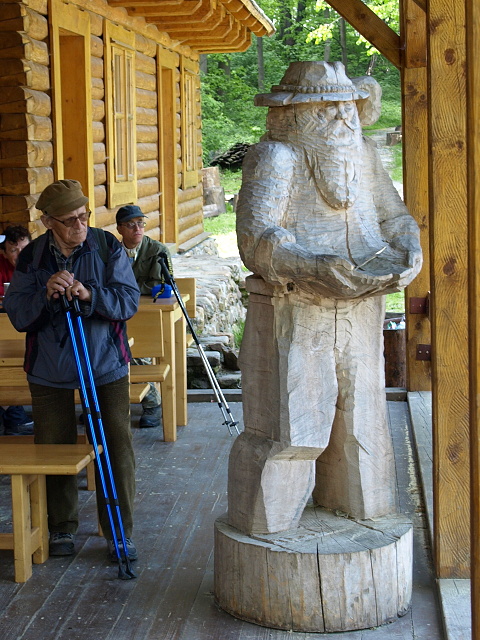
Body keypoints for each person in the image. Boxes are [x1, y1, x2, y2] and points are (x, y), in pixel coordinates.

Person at [227, 61, 423, 536]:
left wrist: (409, 249)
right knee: (294, 425)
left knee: (364, 420)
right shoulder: (275, 157)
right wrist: (310, 265)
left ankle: (361, 506)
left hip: (363, 307)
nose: (341, 120)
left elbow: (394, 217)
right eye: (325, 110)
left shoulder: (365, 155)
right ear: (291, 116)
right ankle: (269, 524)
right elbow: (255, 238)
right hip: (295, 309)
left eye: (347, 109)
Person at [3, 179, 141, 561]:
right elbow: (17, 313)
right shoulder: (32, 258)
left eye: (84, 216)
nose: (79, 225)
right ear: (48, 222)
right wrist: (45, 294)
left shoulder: (107, 245)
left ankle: (118, 533)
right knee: (53, 447)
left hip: (105, 364)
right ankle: (61, 528)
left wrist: (90, 295)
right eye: (69, 220)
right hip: (48, 368)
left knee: (116, 446)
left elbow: (129, 301)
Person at [116, 204, 173, 428]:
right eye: (131, 225)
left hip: (151, 316)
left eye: (141, 224)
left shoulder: (158, 251)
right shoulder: (112, 252)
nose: (137, 229)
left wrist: (128, 287)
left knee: (136, 350)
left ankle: (152, 403)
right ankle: (106, 405)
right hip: (120, 314)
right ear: (120, 229)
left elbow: (163, 285)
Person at [0, 225, 34, 435]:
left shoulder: (37, 265)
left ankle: (14, 413)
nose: (20, 254)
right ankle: (13, 413)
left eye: (24, 248)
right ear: (3, 252)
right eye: (14, 250)